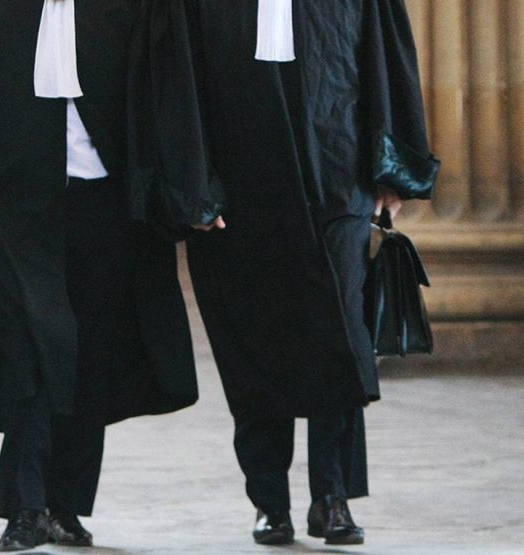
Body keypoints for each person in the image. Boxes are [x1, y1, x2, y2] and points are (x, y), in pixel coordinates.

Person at [128, 0, 436, 546]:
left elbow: (384, 54)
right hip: (238, 190)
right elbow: (174, 77)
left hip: (335, 177)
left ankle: (332, 497)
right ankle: (269, 501)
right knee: (251, 345)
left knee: (339, 333)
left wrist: (392, 170)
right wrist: (192, 186)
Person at [0, 0, 199, 551]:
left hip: (105, 209)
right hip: (10, 211)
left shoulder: (124, 12)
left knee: (90, 358)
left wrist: (186, 193)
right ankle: (24, 509)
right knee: (22, 353)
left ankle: (65, 505)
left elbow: (162, 104)